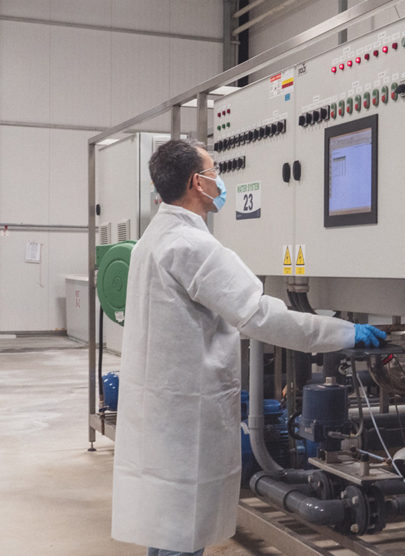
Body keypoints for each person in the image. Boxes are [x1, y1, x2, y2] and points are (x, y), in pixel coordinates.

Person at [112, 140, 385, 556]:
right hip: (185, 415)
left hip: (165, 409)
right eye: (214, 170)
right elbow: (260, 316)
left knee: (171, 529)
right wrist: (344, 333)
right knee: (180, 532)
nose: (220, 179)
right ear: (195, 182)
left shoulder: (157, 237)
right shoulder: (192, 245)